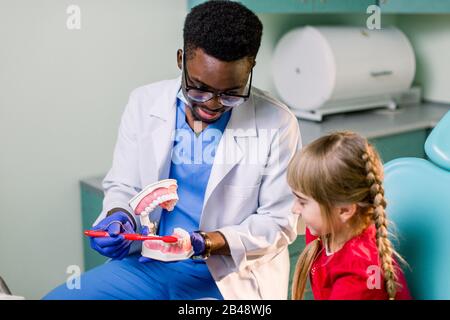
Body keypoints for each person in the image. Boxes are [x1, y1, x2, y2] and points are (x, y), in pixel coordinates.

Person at [44, 0, 301, 300]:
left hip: (229, 278)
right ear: (181, 60)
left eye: (231, 93)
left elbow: (279, 222)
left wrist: (208, 242)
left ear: (250, 68)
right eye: (199, 88)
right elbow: (124, 185)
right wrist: (118, 216)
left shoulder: (278, 123)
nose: (212, 103)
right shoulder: (144, 104)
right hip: (148, 265)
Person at [287, 131, 411, 300]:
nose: (294, 209)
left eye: (302, 202)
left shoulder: (358, 274)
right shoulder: (327, 230)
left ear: (344, 210)